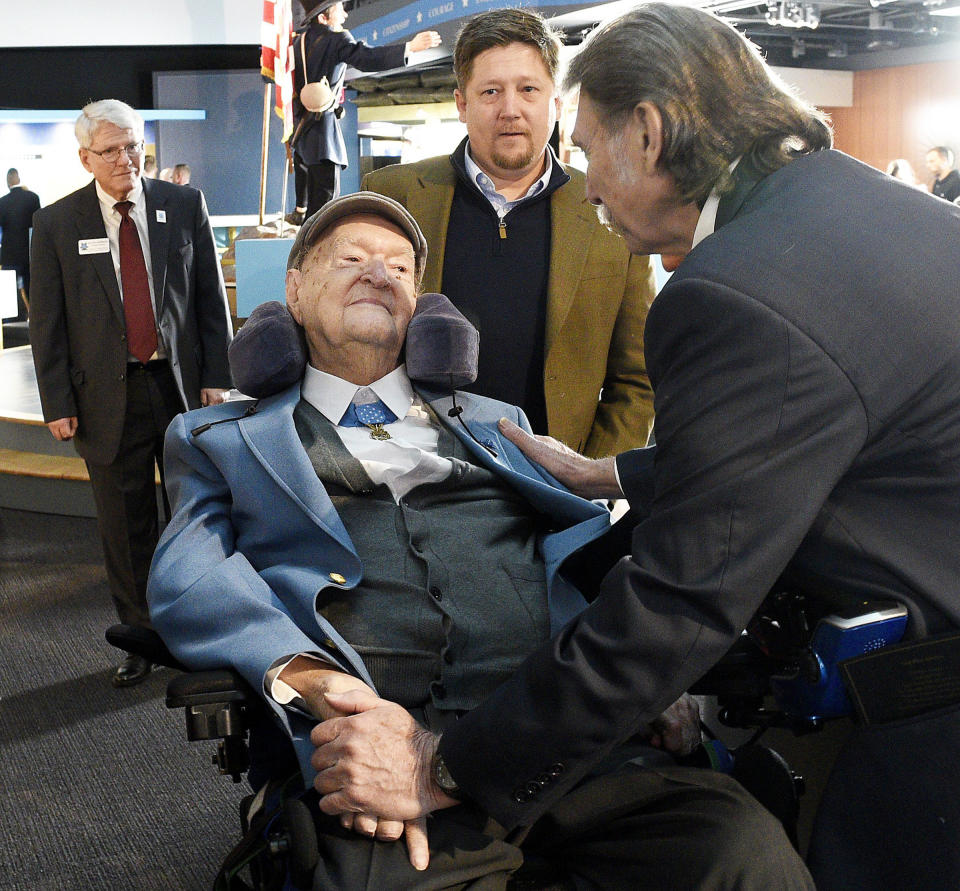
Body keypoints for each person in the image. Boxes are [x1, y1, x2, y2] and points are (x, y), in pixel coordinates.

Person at [307, 5, 960, 887]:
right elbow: (846, 425)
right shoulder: (870, 210)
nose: (586, 182)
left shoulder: (733, 290)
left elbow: (679, 603)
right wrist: (615, 471)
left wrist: (446, 764)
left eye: (586, 147)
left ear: (647, 134)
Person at [147, 191, 811, 889]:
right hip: (385, 751)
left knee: (742, 850)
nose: (378, 273)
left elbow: (582, 556)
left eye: (399, 268)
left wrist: (645, 680)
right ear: (294, 290)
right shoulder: (220, 438)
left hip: (552, 730)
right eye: (351, 259)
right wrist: (313, 680)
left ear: (418, 303)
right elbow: (187, 576)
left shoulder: (499, 423)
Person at [363, 9, 655, 455]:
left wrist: (589, 476)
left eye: (529, 89)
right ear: (462, 104)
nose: (510, 110)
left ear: (556, 105)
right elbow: (352, 346)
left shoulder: (612, 209)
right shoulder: (392, 196)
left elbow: (636, 379)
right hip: (417, 478)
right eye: (491, 91)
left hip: (555, 490)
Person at [29, 99, 233, 687]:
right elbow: (48, 322)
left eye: (133, 147)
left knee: (196, 513)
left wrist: (216, 375)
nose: (125, 159)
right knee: (125, 525)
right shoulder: (57, 223)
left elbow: (209, 302)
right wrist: (58, 402)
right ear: (85, 157)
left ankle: (202, 623)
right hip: (103, 396)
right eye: (111, 150)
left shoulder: (183, 204)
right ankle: (141, 634)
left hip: (178, 388)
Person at [290, 0, 441, 222]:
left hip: (303, 133)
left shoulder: (297, 44)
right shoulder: (336, 39)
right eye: (339, 9)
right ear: (323, 18)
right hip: (323, 136)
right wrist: (410, 47)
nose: (344, 15)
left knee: (310, 208)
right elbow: (367, 58)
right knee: (324, 210)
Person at [0, 168, 41, 320]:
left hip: (9, 255)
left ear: (8, 182)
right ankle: (35, 319)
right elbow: (38, 226)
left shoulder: (2, 202)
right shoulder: (32, 197)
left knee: (10, 293)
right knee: (33, 289)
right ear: (18, 178)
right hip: (30, 253)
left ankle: (12, 322)